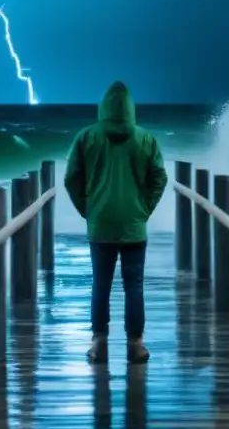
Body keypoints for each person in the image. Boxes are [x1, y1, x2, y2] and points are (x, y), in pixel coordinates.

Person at [64, 80, 168, 364]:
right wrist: (144, 208)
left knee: (101, 284)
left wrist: (88, 209)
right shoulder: (146, 139)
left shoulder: (86, 137)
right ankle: (136, 344)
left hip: (101, 225)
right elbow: (159, 177)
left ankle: (98, 342)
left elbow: (71, 178)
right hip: (134, 225)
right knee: (134, 285)